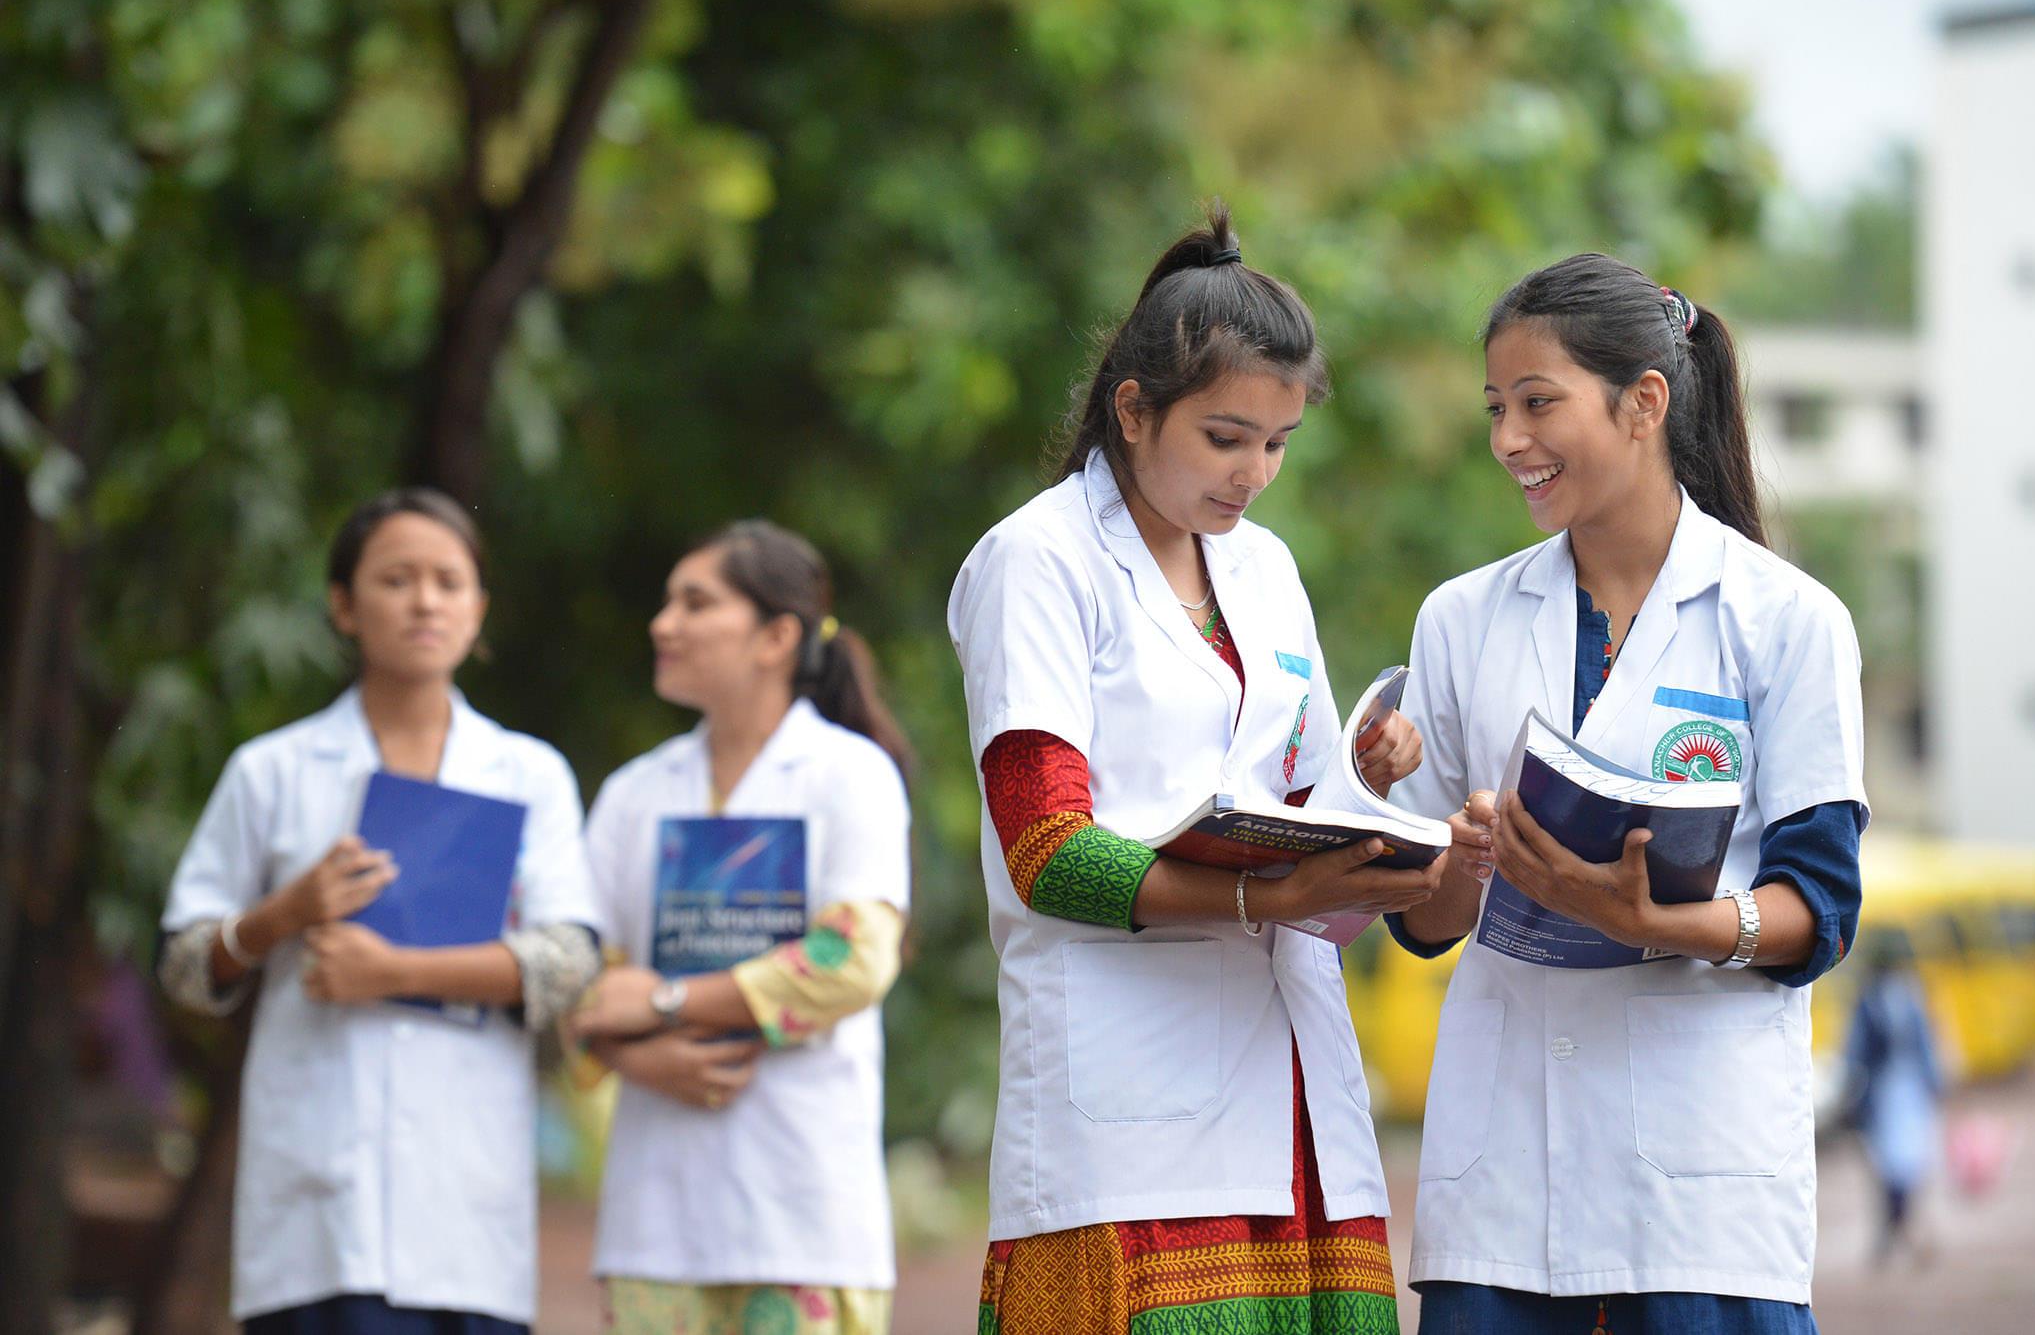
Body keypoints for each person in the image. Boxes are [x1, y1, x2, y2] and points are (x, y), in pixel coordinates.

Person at [950, 205, 1443, 1334]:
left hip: (1292, 1092)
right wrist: (1259, 893)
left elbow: (1301, 799)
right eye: (1225, 438)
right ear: (1133, 410)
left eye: (1276, 442)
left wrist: (1367, 780)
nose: (1254, 472)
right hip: (1124, 1102)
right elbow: (1044, 850)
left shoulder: (1263, 569)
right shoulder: (1036, 561)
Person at [1386, 253, 1868, 1333]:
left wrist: (1653, 920)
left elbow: (1818, 909)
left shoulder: (1783, 619)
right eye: (1494, 409)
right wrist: (1461, 865)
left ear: (1642, 402)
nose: (1508, 439)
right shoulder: (1457, 621)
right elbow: (1416, 923)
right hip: (1501, 1185)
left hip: (1698, 1187)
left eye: (1537, 403)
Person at [158, 488, 603, 1335]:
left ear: (478, 607)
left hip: (466, 1213)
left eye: (449, 580)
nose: (426, 600)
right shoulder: (273, 770)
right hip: (317, 1208)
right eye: (396, 578)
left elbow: (569, 956)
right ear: (342, 605)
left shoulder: (527, 773)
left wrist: (392, 973)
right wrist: (280, 915)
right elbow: (182, 960)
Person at [564, 521, 914, 1335]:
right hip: (655, 1225)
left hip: (801, 1217)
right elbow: (579, 977)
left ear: (777, 635)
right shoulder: (632, 792)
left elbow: (852, 959)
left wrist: (662, 1003)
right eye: (665, 602)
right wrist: (629, 1050)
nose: (662, 623)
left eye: (695, 602)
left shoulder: (848, 774)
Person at [1843, 934, 1943, 1266]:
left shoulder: (1886, 998)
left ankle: (1896, 1233)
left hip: (1902, 1091)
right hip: (1888, 1093)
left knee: (1903, 1162)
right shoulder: (1893, 997)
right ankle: (1901, 1233)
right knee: (1890, 1163)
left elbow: (1857, 1053)